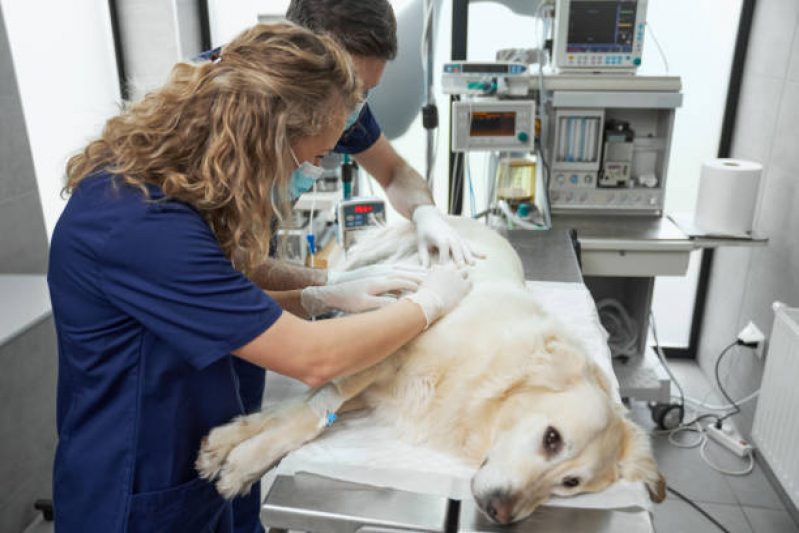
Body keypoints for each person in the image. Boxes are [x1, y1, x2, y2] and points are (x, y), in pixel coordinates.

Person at [48, 23, 471, 533]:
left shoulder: (177, 177)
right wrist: (429, 303)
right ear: (264, 138)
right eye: (315, 158)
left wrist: (319, 293)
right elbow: (313, 359)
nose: (316, 171)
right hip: (134, 490)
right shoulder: (134, 221)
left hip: (190, 460)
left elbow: (219, 276)